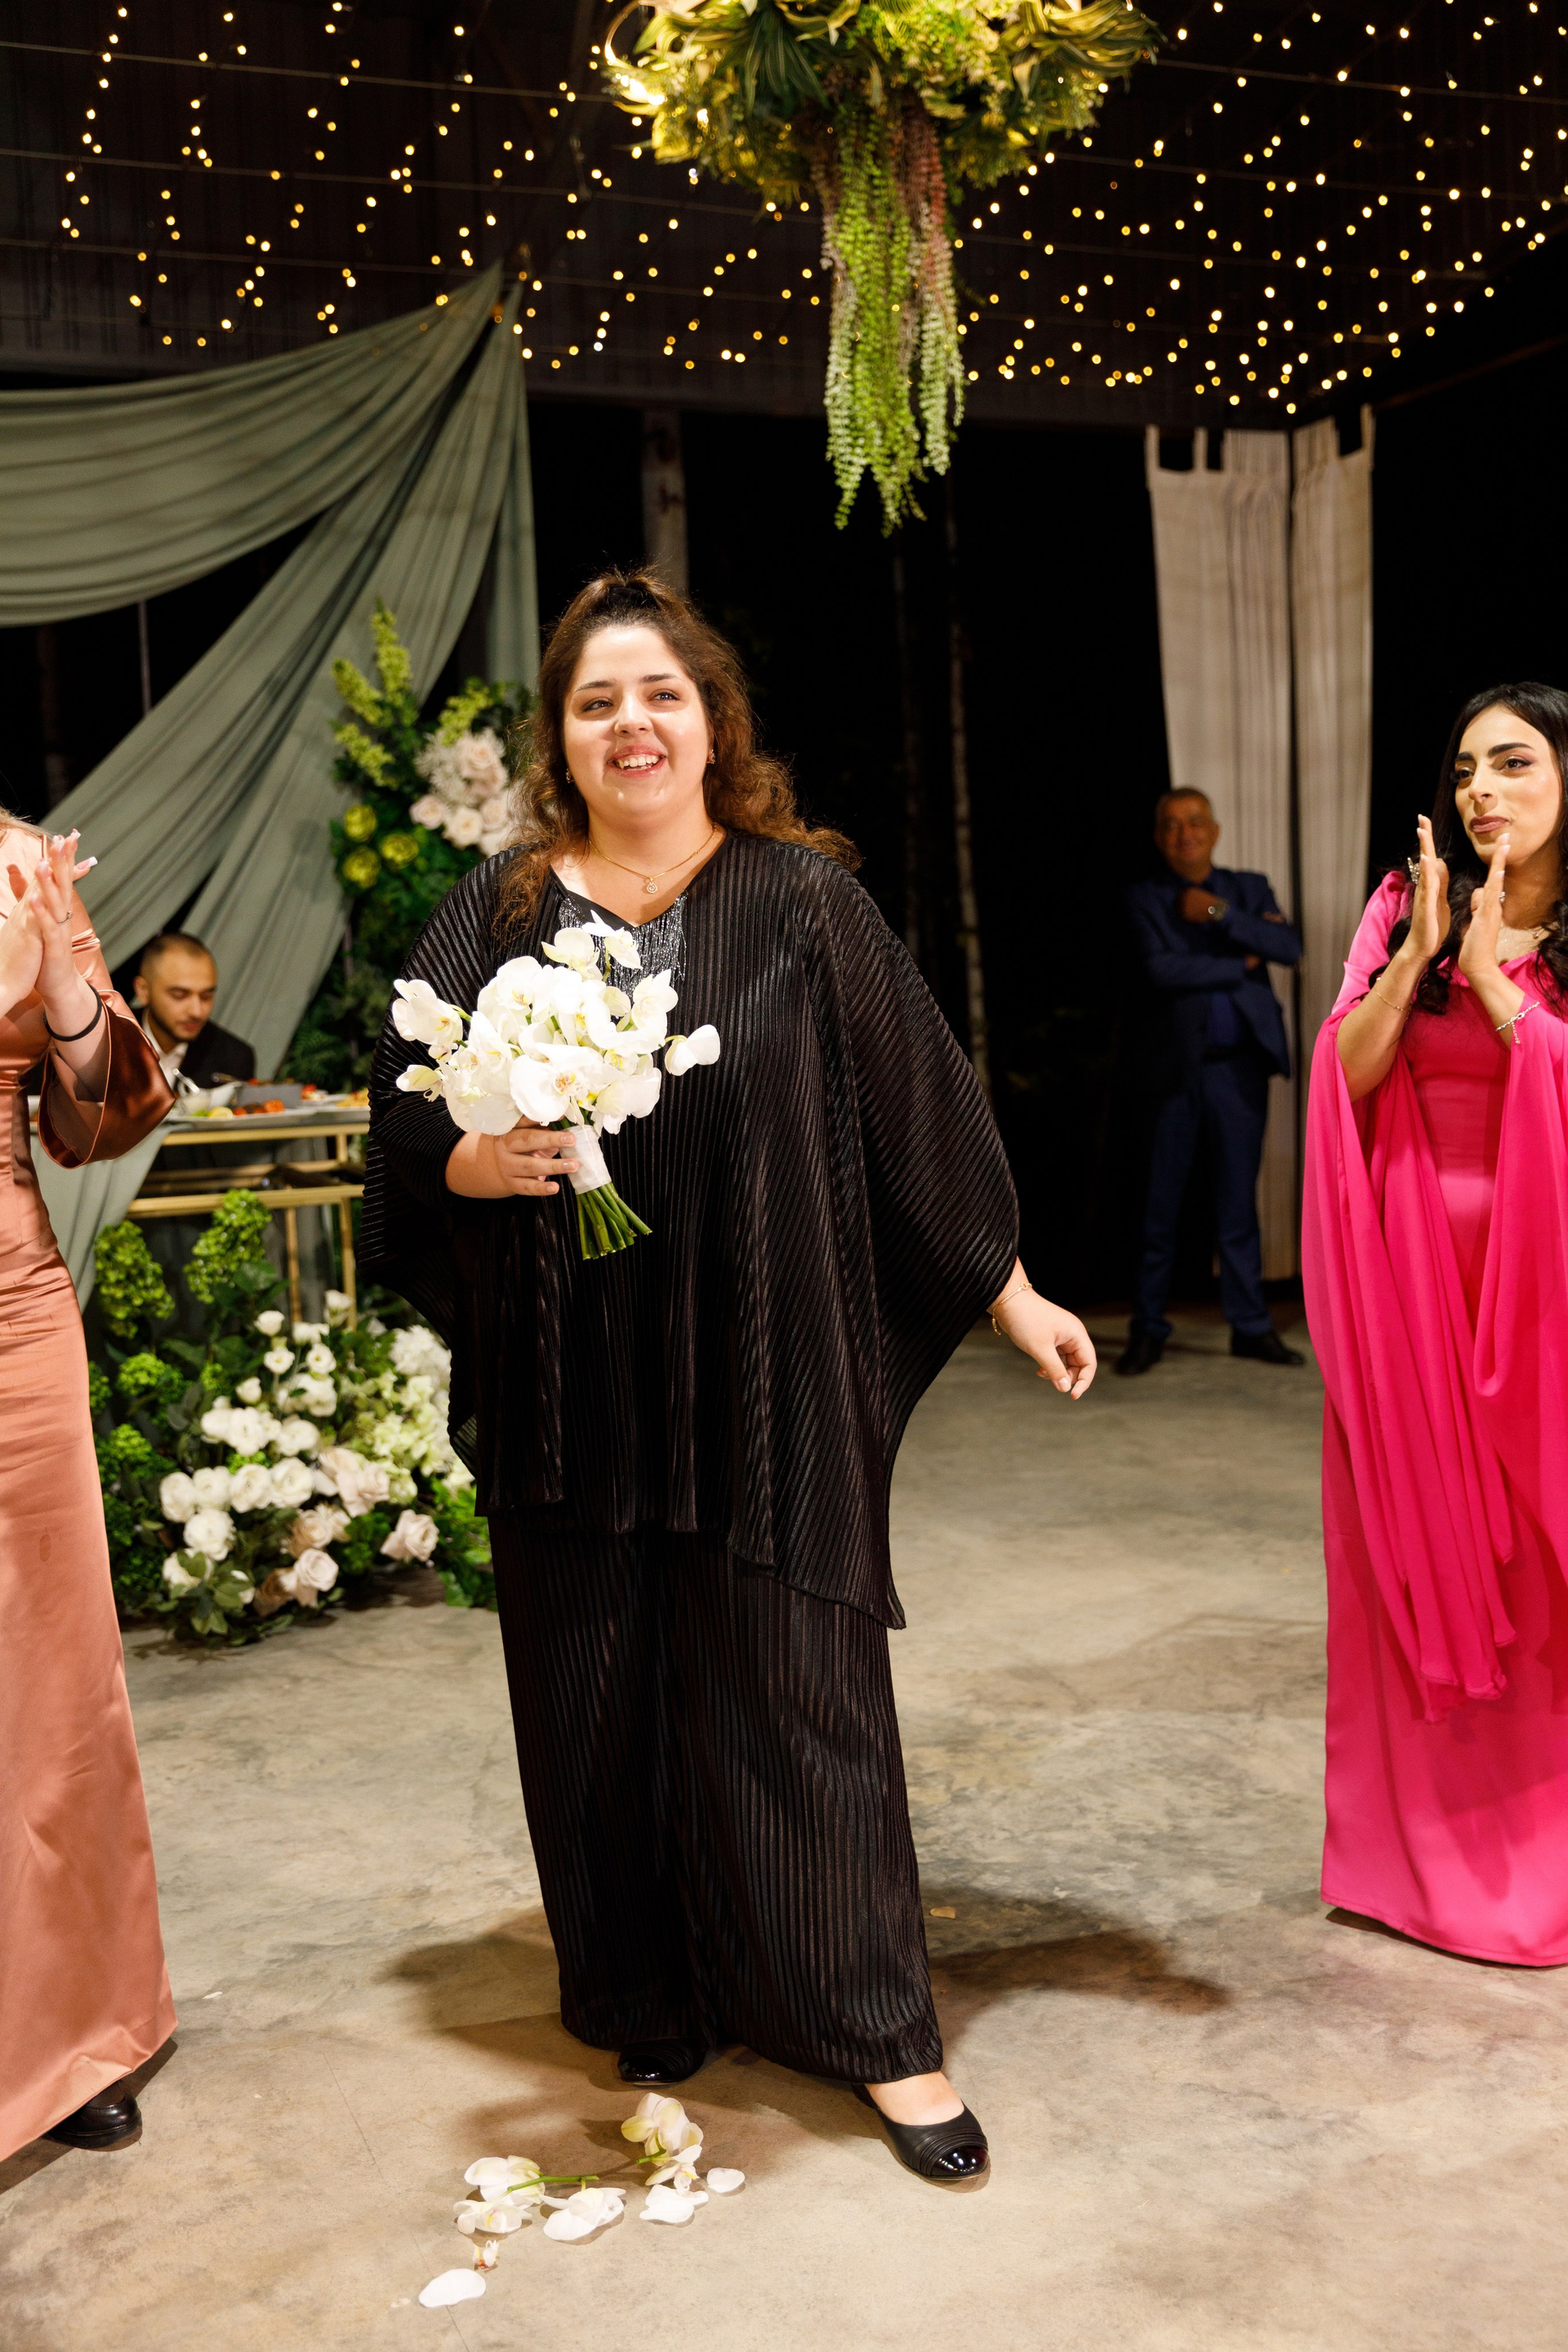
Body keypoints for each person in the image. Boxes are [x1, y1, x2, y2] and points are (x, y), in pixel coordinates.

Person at [363, 570, 1097, 2184]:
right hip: (574, 1374)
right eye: (596, 702)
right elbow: (401, 1107)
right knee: (595, 1691)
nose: (631, 724)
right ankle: (648, 1985)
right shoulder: (498, 909)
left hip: (766, 1367)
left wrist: (1009, 1289)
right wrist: (472, 1162)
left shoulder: (805, 903)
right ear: (560, 739)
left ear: (715, 722)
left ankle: (879, 2030)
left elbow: (914, 1107)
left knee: (798, 1687)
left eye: (661, 694)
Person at [1303, 681, 1568, 1966]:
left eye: (1513, 764)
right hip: (1411, 1294)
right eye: (1466, 769)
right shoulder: (1408, 905)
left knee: (1537, 1574)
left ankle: (1540, 1866)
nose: (1482, 791)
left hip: (1545, 1296)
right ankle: (1409, 1867)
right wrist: (1419, 961)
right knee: (1404, 1565)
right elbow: (1343, 1078)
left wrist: (1501, 992)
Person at [0, 822, 176, 2159]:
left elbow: (104, 1112)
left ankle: (69, 2031)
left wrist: (62, 980)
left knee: (53, 1672)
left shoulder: (16, 865)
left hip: (9, 1310)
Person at [1119, 787, 1304, 1375]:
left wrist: (1220, 914)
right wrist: (1240, 958)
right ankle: (1147, 1328)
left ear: (1215, 831)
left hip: (1239, 1069)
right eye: (1172, 825)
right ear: (1159, 838)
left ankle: (1250, 1327)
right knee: (1160, 1206)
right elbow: (1162, 969)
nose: (1185, 834)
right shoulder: (1145, 897)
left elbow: (1287, 946)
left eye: (1195, 822)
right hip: (1174, 1071)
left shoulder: (1247, 888)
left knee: (1237, 1204)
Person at [131, 930, 255, 1089]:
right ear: (143, 991)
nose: (196, 1012)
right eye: (179, 995)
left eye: (206, 996)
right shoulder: (107, 1041)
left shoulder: (233, 1058)